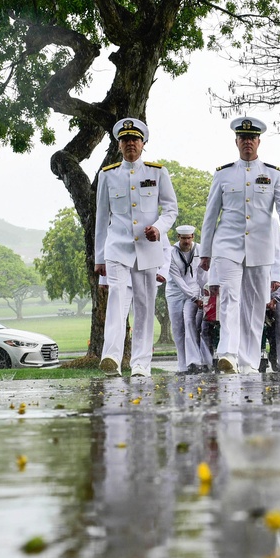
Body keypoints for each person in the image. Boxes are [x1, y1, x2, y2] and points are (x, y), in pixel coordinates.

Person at [199, 117, 280, 374]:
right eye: (242, 138)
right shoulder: (223, 173)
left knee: (255, 307)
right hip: (227, 246)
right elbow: (211, 215)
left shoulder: (272, 173)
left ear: (258, 141)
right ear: (236, 141)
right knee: (230, 299)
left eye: (251, 138)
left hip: (260, 247)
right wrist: (206, 252)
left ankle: (249, 362)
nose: (247, 142)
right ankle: (228, 354)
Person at [94, 117, 178, 377]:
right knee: (117, 302)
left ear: (143, 144)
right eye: (125, 140)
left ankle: (141, 363)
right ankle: (111, 357)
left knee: (144, 307)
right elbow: (101, 218)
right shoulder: (108, 175)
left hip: (147, 249)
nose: (130, 143)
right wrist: (99, 257)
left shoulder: (157, 172)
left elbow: (171, 209)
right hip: (117, 248)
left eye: (135, 139)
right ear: (119, 145)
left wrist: (159, 228)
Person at [166, 225, 207, 373]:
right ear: (178, 238)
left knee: (190, 322)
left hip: (194, 291)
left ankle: (194, 362)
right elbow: (177, 279)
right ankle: (182, 365)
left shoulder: (200, 249)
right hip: (175, 292)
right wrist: (194, 297)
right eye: (183, 238)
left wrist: (204, 293)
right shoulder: (171, 253)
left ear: (193, 238)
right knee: (178, 328)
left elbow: (202, 273)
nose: (186, 241)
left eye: (189, 238)